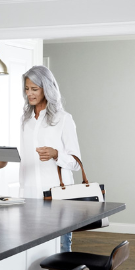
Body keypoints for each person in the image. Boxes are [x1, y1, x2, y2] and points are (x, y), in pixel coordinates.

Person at [19, 65, 82, 254]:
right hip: (29, 196)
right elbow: (26, 158)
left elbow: (76, 162)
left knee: (61, 249)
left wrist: (56, 154)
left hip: (58, 197)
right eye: (27, 89)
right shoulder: (25, 120)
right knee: (32, 251)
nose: (29, 94)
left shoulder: (63, 119)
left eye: (34, 89)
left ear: (47, 88)